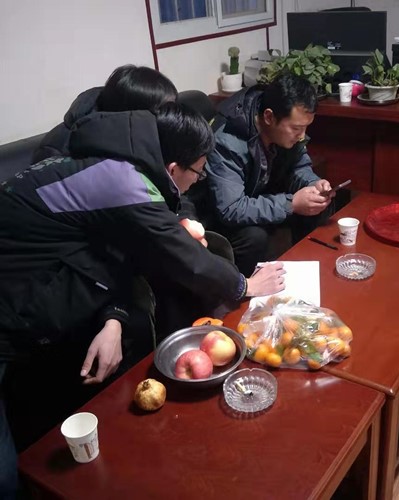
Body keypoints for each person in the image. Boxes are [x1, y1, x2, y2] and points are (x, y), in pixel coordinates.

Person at [0, 103, 285, 498]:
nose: (196, 183)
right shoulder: (123, 182)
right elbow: (186, 259)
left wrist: (113, 318)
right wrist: (245, 286)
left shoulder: (113, 160)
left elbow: (114, 254)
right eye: (198, 173)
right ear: (173, 167)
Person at [187, 74, 336, 277]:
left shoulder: (283, 131)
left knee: (317, 205)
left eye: (305, 128)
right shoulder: (227, 141)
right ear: (269, 117)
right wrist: (291, 204)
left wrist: (314, 184)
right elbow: (230, 208)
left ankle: (306, 272)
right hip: (218, 213)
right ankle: (244, 290)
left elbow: (299, 165)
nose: (302, 135)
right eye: (296, 128)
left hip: (257, 192)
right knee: (254, 236)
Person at [32, 64, 178, 163]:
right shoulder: (62, 153)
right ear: (132, 114)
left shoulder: (132, 134)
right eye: (162, 112)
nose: (170, 118)